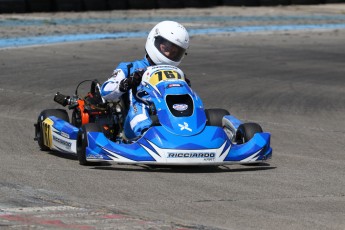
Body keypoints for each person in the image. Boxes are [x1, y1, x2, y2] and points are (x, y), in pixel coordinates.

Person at [100, 21, 190, 139]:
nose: (170, 54)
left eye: (175, 52)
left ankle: (195, 134)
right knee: (140, 108)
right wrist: (127, 83)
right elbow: (105, 91)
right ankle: (148, 136)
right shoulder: (130, 67)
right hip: (135, 116)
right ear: (154, 40)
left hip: (167, 113)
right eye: (167, 48)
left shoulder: (176, 74)